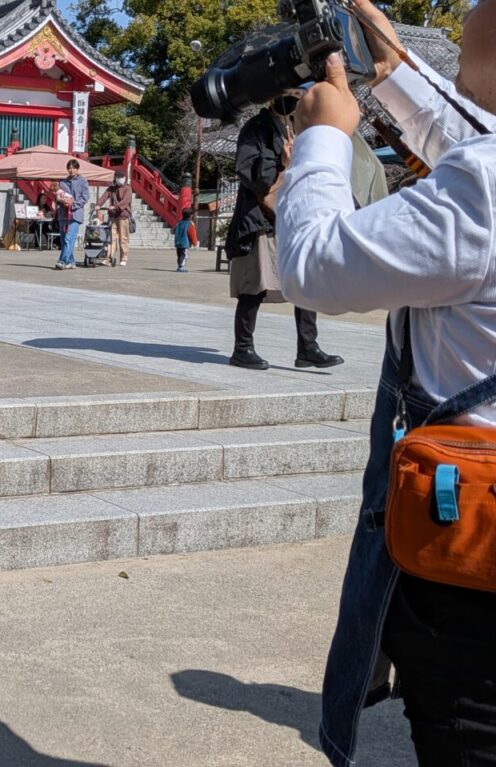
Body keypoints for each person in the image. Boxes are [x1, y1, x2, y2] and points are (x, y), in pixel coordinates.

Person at [275, 0, 496, 763]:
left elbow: (312, 265)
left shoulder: (482, 189)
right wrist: (395, 74)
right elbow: (476, 147)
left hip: (473, 571)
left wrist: (324, 139)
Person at [225, 93, 344, 371]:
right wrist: (282, 162)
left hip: (292, 217)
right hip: (260, 217)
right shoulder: (256, 128)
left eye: (298, 94)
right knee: (254, 284)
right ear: (273, 96)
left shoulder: (296, 126)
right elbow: (252, 175)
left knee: (305, 281)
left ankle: (308, 347)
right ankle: (243, 348)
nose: (295, 99)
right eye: (290, 94)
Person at [55, 159, 89, 270]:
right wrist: (61, 201)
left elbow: (85, 197)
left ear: (77, 169)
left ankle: (63, 261)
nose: (71, 170)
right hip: (63, 214)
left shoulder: (83, 181)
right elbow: (57, 197)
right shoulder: (62, 182)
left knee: (69, 239)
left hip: (75, 214)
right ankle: (71, 262)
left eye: (74, 168)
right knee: (63, 239)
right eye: (69, 168)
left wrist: (73, 204)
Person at [96, 171, 133, 266]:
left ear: (124, 178)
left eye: (121, 177)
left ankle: (123, 257)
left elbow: (125, 201)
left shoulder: (127, 188)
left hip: (123, 216)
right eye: (118, 177)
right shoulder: (111, 188)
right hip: (113, 216)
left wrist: (116, 207)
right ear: (115, 178)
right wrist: (99, 204)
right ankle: (109, 258)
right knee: (110, 238)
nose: (120, 179)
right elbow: (104, 196)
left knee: (123, 238)